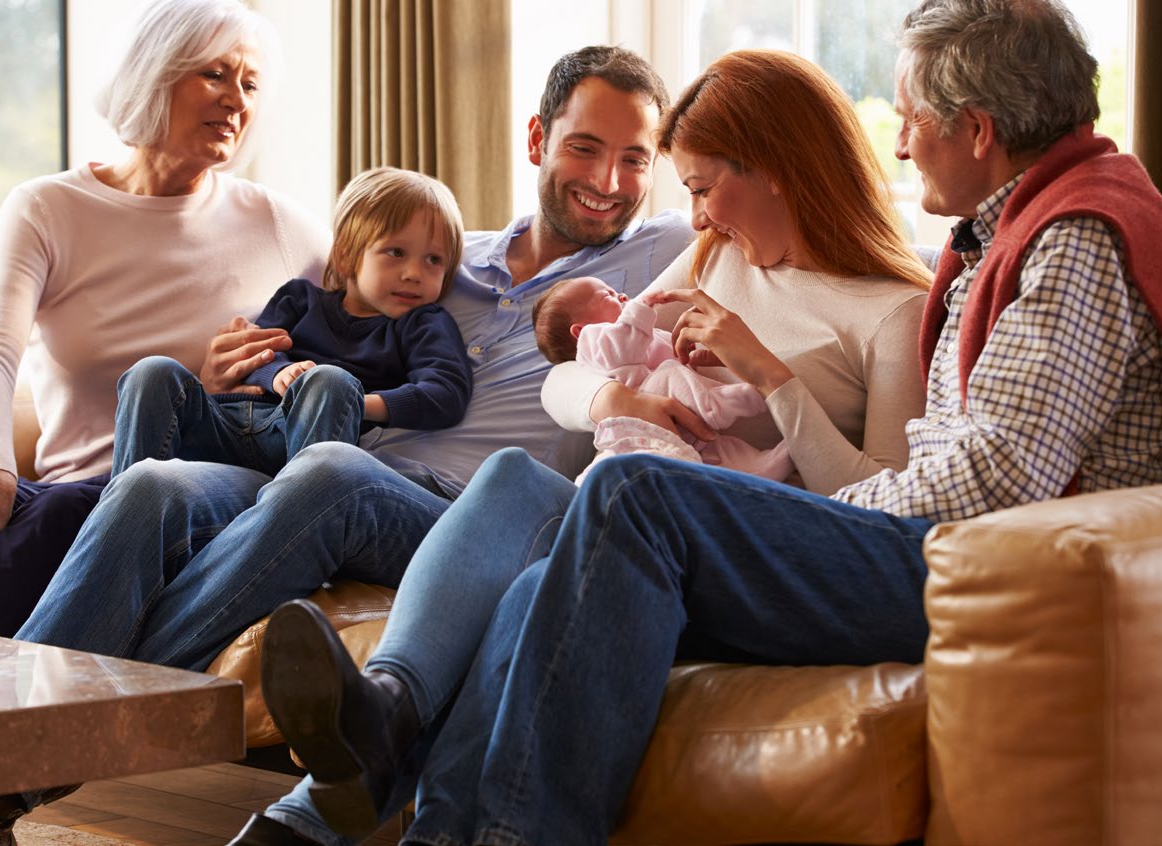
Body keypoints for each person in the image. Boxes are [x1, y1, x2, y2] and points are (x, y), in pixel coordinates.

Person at [255, 1, 1162, 844]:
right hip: (914, 534)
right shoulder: (991, 239)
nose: (900, 145)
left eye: (914, 120)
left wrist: (791, 471)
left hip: (949, 554)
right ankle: (406, 779)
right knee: (545, 534)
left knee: (628, 494)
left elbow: (985, 483)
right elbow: (583, 365)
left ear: (977, 130)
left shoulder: (1070, 243)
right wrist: (619, 399)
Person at [0, 45, 694, 846]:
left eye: (636, 159)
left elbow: (761, 217)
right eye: (586, 147)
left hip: (460, 517)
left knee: (331, 471)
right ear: (537, 139)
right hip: (329, 467)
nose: (609, 181)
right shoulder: (444, 256)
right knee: (157, 483)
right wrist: (233, 365)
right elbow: (309, 310)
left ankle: (11, 764)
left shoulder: (659, 253)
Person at [251, 47, 938, 846]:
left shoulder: (893, 312)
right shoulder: (715, 256)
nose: (698, 215)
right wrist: (619, 397)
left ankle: (345, 811)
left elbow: (882, 499)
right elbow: (574, 372)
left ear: (777, 167)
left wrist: (772, 378)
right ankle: (391, 717)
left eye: (704, 188)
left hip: (736, 544)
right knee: (514, 481)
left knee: (526, 590)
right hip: (635, 508)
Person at [0, 0, 329, 638]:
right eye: (215, 75)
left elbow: (353, 348)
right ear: (154, 73)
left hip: (187, 501)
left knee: (56, 521)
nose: (236, 100)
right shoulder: (47, 208)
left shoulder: (282, 226)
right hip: (65, 492)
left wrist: (237, 389)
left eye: (250, 85)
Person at [111, 167, 471, 479]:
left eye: (434, 260)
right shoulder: (300, 298)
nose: (414, 273)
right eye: (396, 252)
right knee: (151, 372)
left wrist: (355, 402)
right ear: (346, 256)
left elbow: (446, 394)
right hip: (228, 426)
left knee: (328, 381)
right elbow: (253, 355)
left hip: (300, 441)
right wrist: (277, 374)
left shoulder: (423, 323)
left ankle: (293, 515)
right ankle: (120, 507)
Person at [532, 275, 793, 481]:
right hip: (646, 407)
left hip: (680, 423)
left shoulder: (640, 329)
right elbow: (626, 346)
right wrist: (641, 307)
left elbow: (669, 350)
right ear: (580, 330)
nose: (621, 294)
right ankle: (720, 404)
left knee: (727, 454)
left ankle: (776, 461)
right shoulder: (595, 342)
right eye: (607, 295)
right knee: (669, 372)